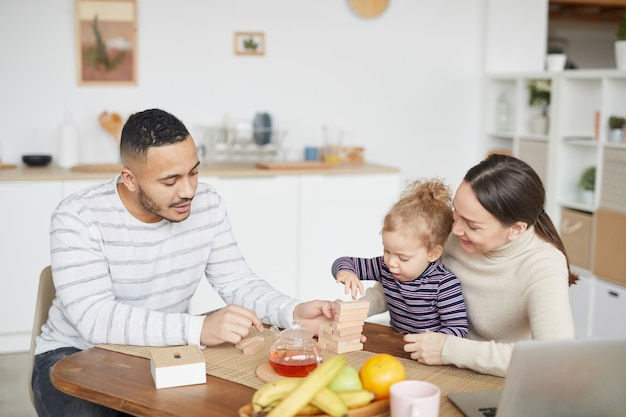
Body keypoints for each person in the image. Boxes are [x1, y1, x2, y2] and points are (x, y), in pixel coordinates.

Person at [32, 108, 338, 417]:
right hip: (74, 355)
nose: (188, 191)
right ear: (130, 179)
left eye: (193, 172)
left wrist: (293, 312)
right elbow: (95, 319)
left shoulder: (208, 203)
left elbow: (237, 282)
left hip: (164, 350)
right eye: (170, 181)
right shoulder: (77, 216)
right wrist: (199, 328)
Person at [360, 154, 577, 377]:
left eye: (472, 226)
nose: (455, 230)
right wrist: (347, 313)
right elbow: (402, 281)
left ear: (516, 230)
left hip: (496, 378)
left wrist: (448, 349)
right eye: (456, 211)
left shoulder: (543, 265)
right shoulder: (455, 231)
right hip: (434, 362)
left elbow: (554, 358)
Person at [332, 178, 467, 337]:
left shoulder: (444, 284)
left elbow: (458, 329)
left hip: (429, 353)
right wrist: (346, 272)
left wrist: (433, 343)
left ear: (433, 253)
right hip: (397, 342)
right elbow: (344, 262)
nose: (391, 263)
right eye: (387, 251)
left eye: (403, 258)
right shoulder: (384, 267)